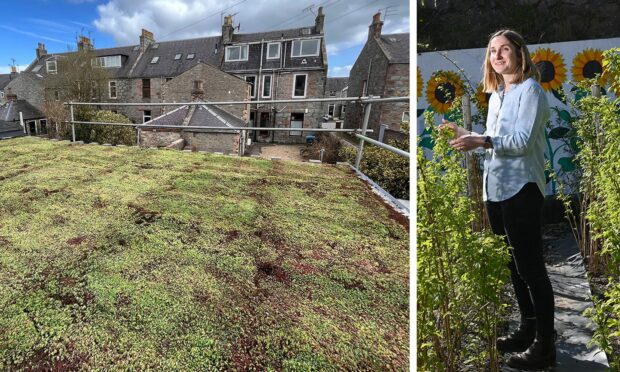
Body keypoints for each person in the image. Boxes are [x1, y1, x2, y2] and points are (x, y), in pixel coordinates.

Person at [440, 29, 556, 370]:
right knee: (512, 265)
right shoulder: (496, 95)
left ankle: (545, 346)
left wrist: (481, 141)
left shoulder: (530, 90)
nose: (498, 55)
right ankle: (527, 329)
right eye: (493, 51)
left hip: (522, 188)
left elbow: (520, 141)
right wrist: (470, 136)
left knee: (531, 267)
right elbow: (493, 139)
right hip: (496, 188)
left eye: (505, 49)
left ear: (520, 54)